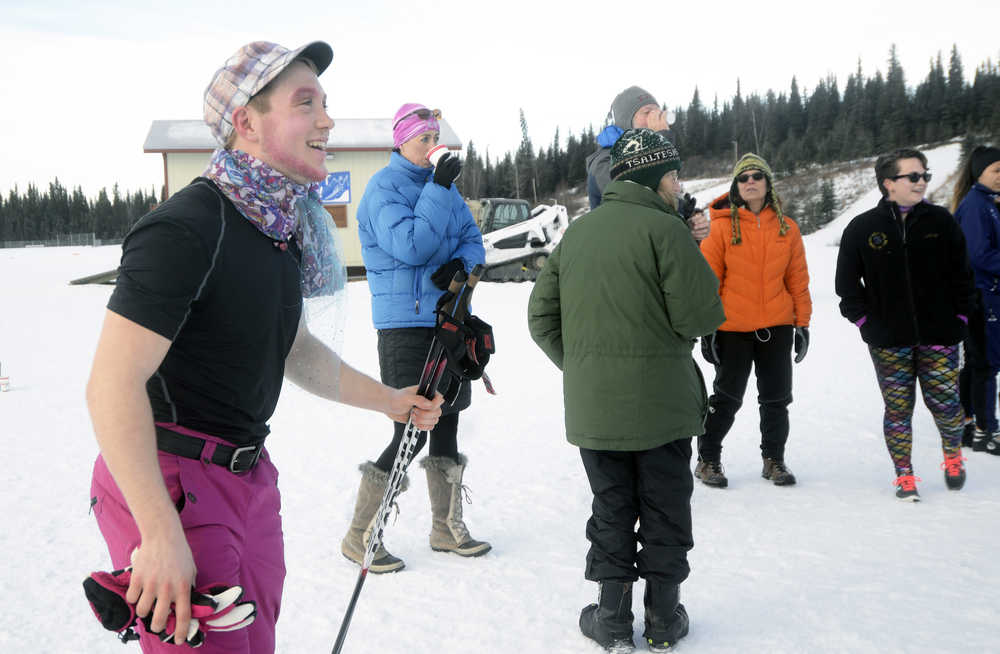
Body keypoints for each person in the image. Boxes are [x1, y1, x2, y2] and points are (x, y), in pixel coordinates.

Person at [85, 41, 444, 654]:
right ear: (246, 123)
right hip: (171, 480)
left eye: (325, 103)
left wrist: (388, 400)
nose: (327, 119)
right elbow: (110, 387)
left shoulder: (278, 228)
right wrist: (158, 528)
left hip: (247, 478)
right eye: (305, 103)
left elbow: (291, 349)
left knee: (257, 642)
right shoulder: (187, 226)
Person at [528, 128, 725, 653]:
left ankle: (612, 619)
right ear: (654, 176)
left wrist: (586, 370)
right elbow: (701, 316)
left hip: (597, 409)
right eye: (674, 174)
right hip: (661, 406)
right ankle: (663, 617)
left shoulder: (577, 234)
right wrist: (692, 246)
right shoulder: (668, 231)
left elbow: (540, 317)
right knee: (664, 504)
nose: (678, 184)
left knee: (611, 505)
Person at [347, 102, 489, 574]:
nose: (433, 146)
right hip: (405, 324)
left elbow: (472, 240)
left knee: (447, 418)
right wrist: (439, 187)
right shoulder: (384, 189)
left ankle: (445, 528)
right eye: (424, 139)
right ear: (402, 141)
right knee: (410, 425)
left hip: (449, 318)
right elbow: (413, 246)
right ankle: (360, 535)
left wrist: (462, 269)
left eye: (436, 137)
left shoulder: (443, 189)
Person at [835, 148, 976, 501]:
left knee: (946, 404)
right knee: (898, 409)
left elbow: (963, 276)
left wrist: (959, 318)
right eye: (912, 176)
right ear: (888, 183)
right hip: (888, 340)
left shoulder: (941, 221)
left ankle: (952, 455)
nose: (921, 182)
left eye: (924, 175)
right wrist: (867, 322)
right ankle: (904, 474)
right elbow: (847, 286)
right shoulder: (863, 228)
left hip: (940, 335)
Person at [696, 154, 812, 488]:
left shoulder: (787, 228)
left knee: (777, 399)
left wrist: (801, 324)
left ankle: (773, 460)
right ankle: (707, 459)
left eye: (757, 176)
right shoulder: (719, 228)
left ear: (767, 183)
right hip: (732, 329)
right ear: (736, 186)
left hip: (776, 326)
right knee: (727, 399)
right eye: (743, 177)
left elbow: (797, 280)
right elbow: (708, 282)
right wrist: (709, 329)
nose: (750, 181)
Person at [586, 85, 709, 241]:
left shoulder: (646, 155)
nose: (655, 117)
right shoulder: (602, 162)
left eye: (658, 112)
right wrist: (660, 141)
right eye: (647, 112)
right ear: (626, 121)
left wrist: (690, 218)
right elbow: (638, 198)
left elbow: (663, 199)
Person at [952, 145, 1000, 455]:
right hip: (981, 296)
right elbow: (978, 254)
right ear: (979, 171)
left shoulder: (989, 203)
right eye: (997, 170)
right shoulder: (975, 206)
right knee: (986, 363)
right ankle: (986, 429)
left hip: (986, 294)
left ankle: (967, 422)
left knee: (977, 361)